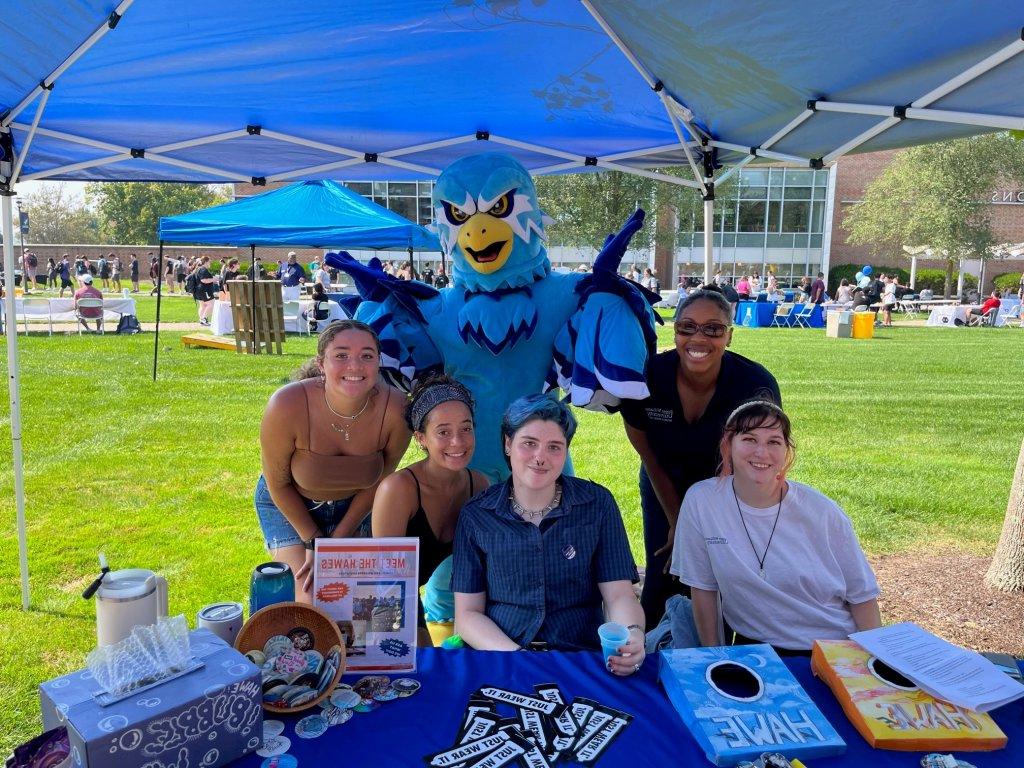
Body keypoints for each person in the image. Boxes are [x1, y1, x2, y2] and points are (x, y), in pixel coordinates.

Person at [620, 287, 781, 627]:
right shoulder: (650, 376)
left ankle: (720, 657)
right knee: (664, 570)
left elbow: (760, 457)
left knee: (720, 572)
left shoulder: (754, 384)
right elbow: (642, 443)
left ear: (730, 336)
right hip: (663, 478)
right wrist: (677, 516)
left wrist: (714, 517)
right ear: (675, 331)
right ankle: (650, 654)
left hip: (728, 486)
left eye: (713, 329)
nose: (698, 338)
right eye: (687, 327)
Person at [453, 394, 645, 672]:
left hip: (579, 657)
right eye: (529, 443)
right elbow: (467, 615)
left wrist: (633, 635)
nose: (540, 457)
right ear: (508, 444)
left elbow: (619, 595)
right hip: (503, 657)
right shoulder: (477, 516)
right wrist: (519, 658)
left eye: (554, 447)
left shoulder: (597, 504)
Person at [673, 399, 881, 654]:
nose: (761, 452)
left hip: (832, 648)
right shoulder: (702, 501)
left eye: (774, 442)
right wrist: (715, 657)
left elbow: (862, 597)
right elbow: (703, 588)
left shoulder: (823, 512)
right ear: (728, 446)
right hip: (756, 649)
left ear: (786, 452)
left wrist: (873, 662)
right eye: (749, 439)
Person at [256, 320, 411, 601]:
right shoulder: (286, 404)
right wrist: (314, 543)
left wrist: (337, 542)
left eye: (366, 356)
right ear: (321, 363)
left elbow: (379, 482)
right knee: (312, 599)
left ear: (378, 363)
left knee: (360, 602)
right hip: (289, 503)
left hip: (356, 507)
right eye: (341, 355)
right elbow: (277, 483)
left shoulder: (398, 410)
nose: (354, 366)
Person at [372, 376, 489, 626]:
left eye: (466, 428)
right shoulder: (399, 490)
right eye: (443, 432)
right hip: (369, 599)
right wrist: (419, 639)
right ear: (421, 438)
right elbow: (387, 584)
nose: (457, 442)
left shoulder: (478, 485)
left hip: (407, 596)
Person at [191, 255, 218, 326]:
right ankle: (204, 319)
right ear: (206, 262)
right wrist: (214, 279)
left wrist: (212, 279)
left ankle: (202, 320)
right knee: (211, 304)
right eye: (209, 261)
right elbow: (204, 280)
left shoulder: (199, 269)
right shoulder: (203, 269)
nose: (210, 263)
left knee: (203, 306)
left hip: (199, 290)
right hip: (205, 290)